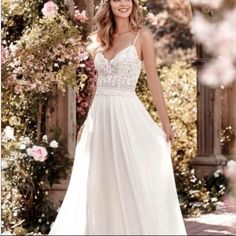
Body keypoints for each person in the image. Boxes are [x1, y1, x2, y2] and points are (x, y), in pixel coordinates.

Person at [49, 0, 187, 235]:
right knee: (99, 179)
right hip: (99, 119)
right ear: (109, 4)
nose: (122, 4)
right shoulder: (98, 39)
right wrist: (86, 122)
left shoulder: (142, 36)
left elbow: (153, 80)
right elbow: (98, 85)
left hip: (126, 113)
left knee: (128, 175)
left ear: (133, 4)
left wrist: (166, 123)